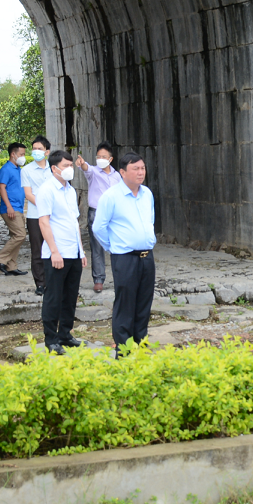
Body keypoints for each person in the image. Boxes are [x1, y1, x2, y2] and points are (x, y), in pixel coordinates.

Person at [91, 152, 156, 353]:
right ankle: (124, 349)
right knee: (125, 304)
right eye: (135, 169)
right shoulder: (111, 196)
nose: (140, 172)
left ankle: (141, 344)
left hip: (147, 257)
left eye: (142, 168)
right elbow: (98, 228)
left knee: (144, 303)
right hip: (125, 258)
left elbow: (150, 220)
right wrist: (114, 247)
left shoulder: (147, 194)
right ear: (122, 172)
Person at [34, 149, 88, 353]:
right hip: (56, 253)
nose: (70, 169)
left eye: (71, 165)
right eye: (65, 166)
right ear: (54, 168)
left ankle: (65, 334)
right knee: (53, 297)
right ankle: (51, 339)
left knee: (70, 296)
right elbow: (43, 222)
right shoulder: (47, 190)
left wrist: (81, 251)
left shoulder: (70, 190)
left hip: (73, 252)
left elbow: (74, 222)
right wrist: (54, 252)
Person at [76, 142, 121, 293]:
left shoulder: (117, 176)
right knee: (96, 246)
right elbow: (86, 168)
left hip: (114, 213)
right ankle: (98, 279)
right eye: (98, 156)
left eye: (104, 157)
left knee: (117, 246)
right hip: (96, 212)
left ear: (110, 159)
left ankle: (120, 277)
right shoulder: (93, 172)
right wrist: (82, 163)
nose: (100, 159)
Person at [22, 135, 53, 296]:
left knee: (54, 246)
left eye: (39, 149)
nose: (36, 151)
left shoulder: (54, 169)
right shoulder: (26, 170)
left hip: (53, 215)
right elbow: (28, 193)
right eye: (34, 149)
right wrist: (43, 206)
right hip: (35, 215)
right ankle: (40, 283)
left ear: (46, 152)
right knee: (37, 250)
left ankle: (53, 280)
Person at [0, 142, 29, 277]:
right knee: (20, 235)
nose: (23, 157)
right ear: (13, 154)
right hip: (10, 208)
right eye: (21, 154)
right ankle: (1, 259)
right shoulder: (6, 169)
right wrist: (8, 206)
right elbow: (2, 187)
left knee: (16, 236)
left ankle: (11, 266)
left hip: (18, 207)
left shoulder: (18, 169)